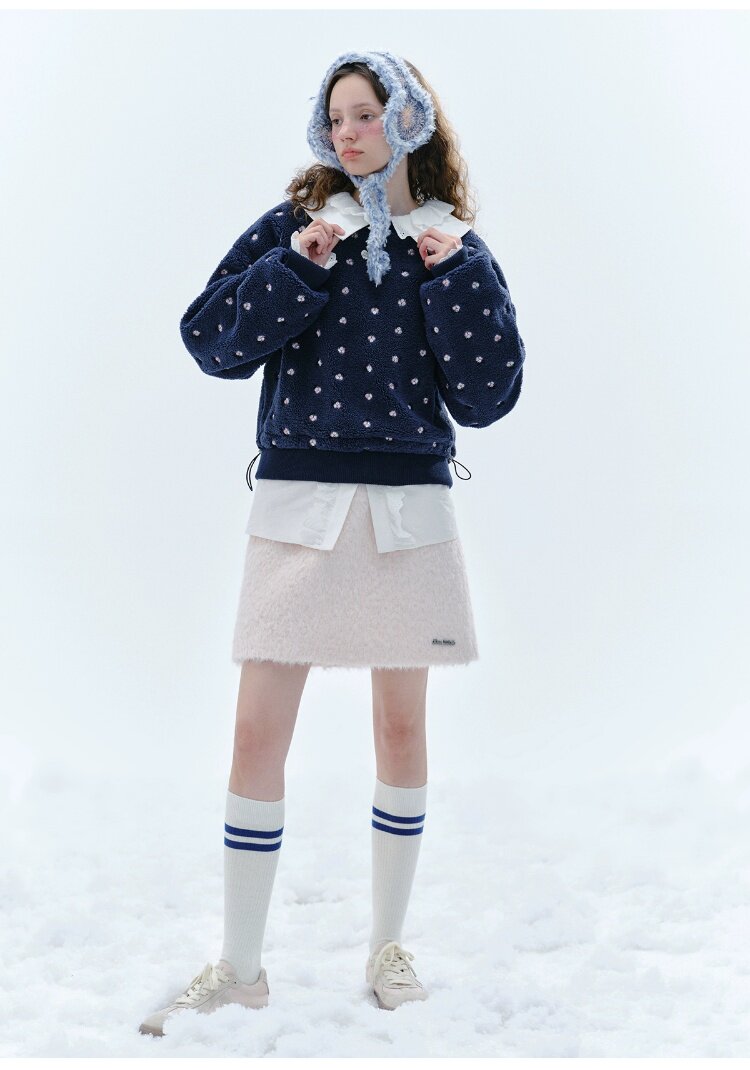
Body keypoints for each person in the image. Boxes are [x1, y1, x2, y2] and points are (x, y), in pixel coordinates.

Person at [138, 49, 525, 1037]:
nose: (347, 132)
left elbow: (489, 396)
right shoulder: (296, 228)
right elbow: (210, 341)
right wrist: (299, 266)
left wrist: (453, 278)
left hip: (408, 514)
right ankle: (241, 967)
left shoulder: (455, 244)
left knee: (400, 733)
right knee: (255, 736)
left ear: (410, 119)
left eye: (366, 113)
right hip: (298, 508)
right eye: (336, 116)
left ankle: (388, 947)